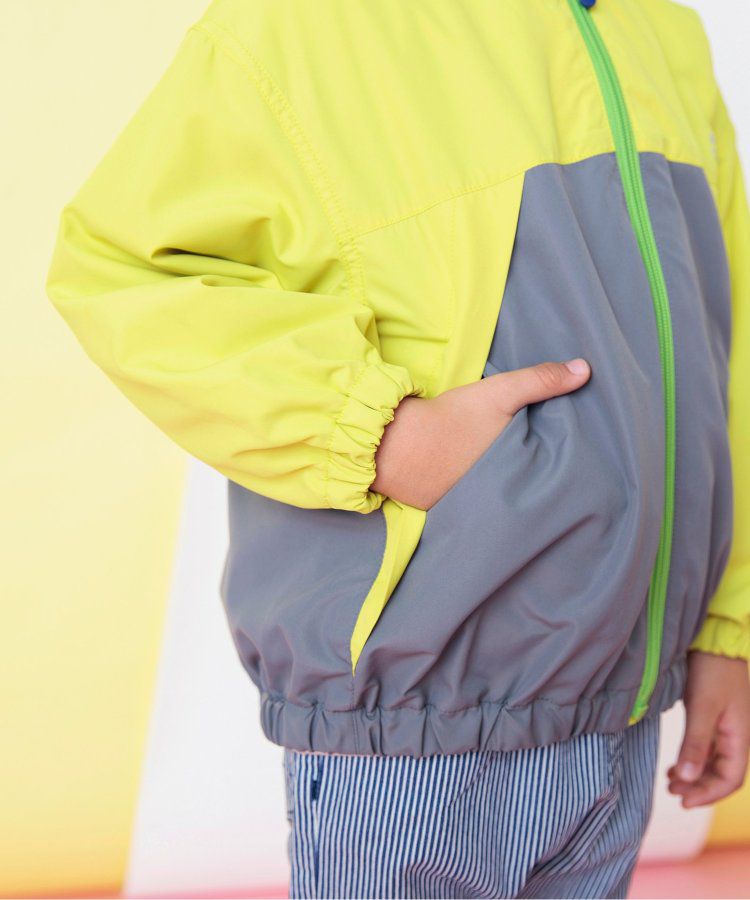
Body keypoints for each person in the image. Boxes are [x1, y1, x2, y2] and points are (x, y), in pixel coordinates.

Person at [46, 1, 750, 897]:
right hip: (417, 718)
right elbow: (124, 268)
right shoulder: (312, 23)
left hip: (624, 711)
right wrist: (379, 434)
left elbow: (728, 350)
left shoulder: (663, 31)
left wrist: (728, 629)